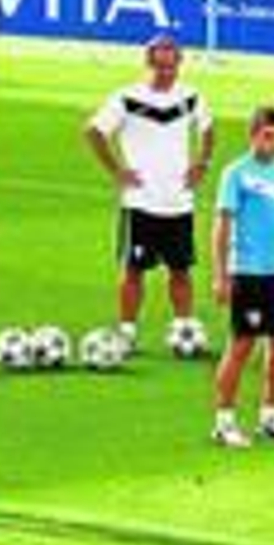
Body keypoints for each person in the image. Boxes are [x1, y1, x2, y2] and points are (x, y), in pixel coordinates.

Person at [85, 34, 215, 353]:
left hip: (179, 201)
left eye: (171, 65)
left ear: (179, 64)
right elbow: (93, 131)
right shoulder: (127, 98)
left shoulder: (192, 97)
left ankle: (183, 326)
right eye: (160, 65)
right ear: (148, 63)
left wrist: (203, 161)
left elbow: (208, 128)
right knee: (133, 270)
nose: (166, 72)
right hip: (141, 202)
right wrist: (117, 170)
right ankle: (127, 331)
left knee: (181, 270)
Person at [210, 106, 274, 449]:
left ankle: (270, 417)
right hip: (249, 273)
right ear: (253, 135)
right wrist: (221, 275)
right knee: (242, 345)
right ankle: (224, 422)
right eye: (268, 136)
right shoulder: (236, 173)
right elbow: (221, 227)